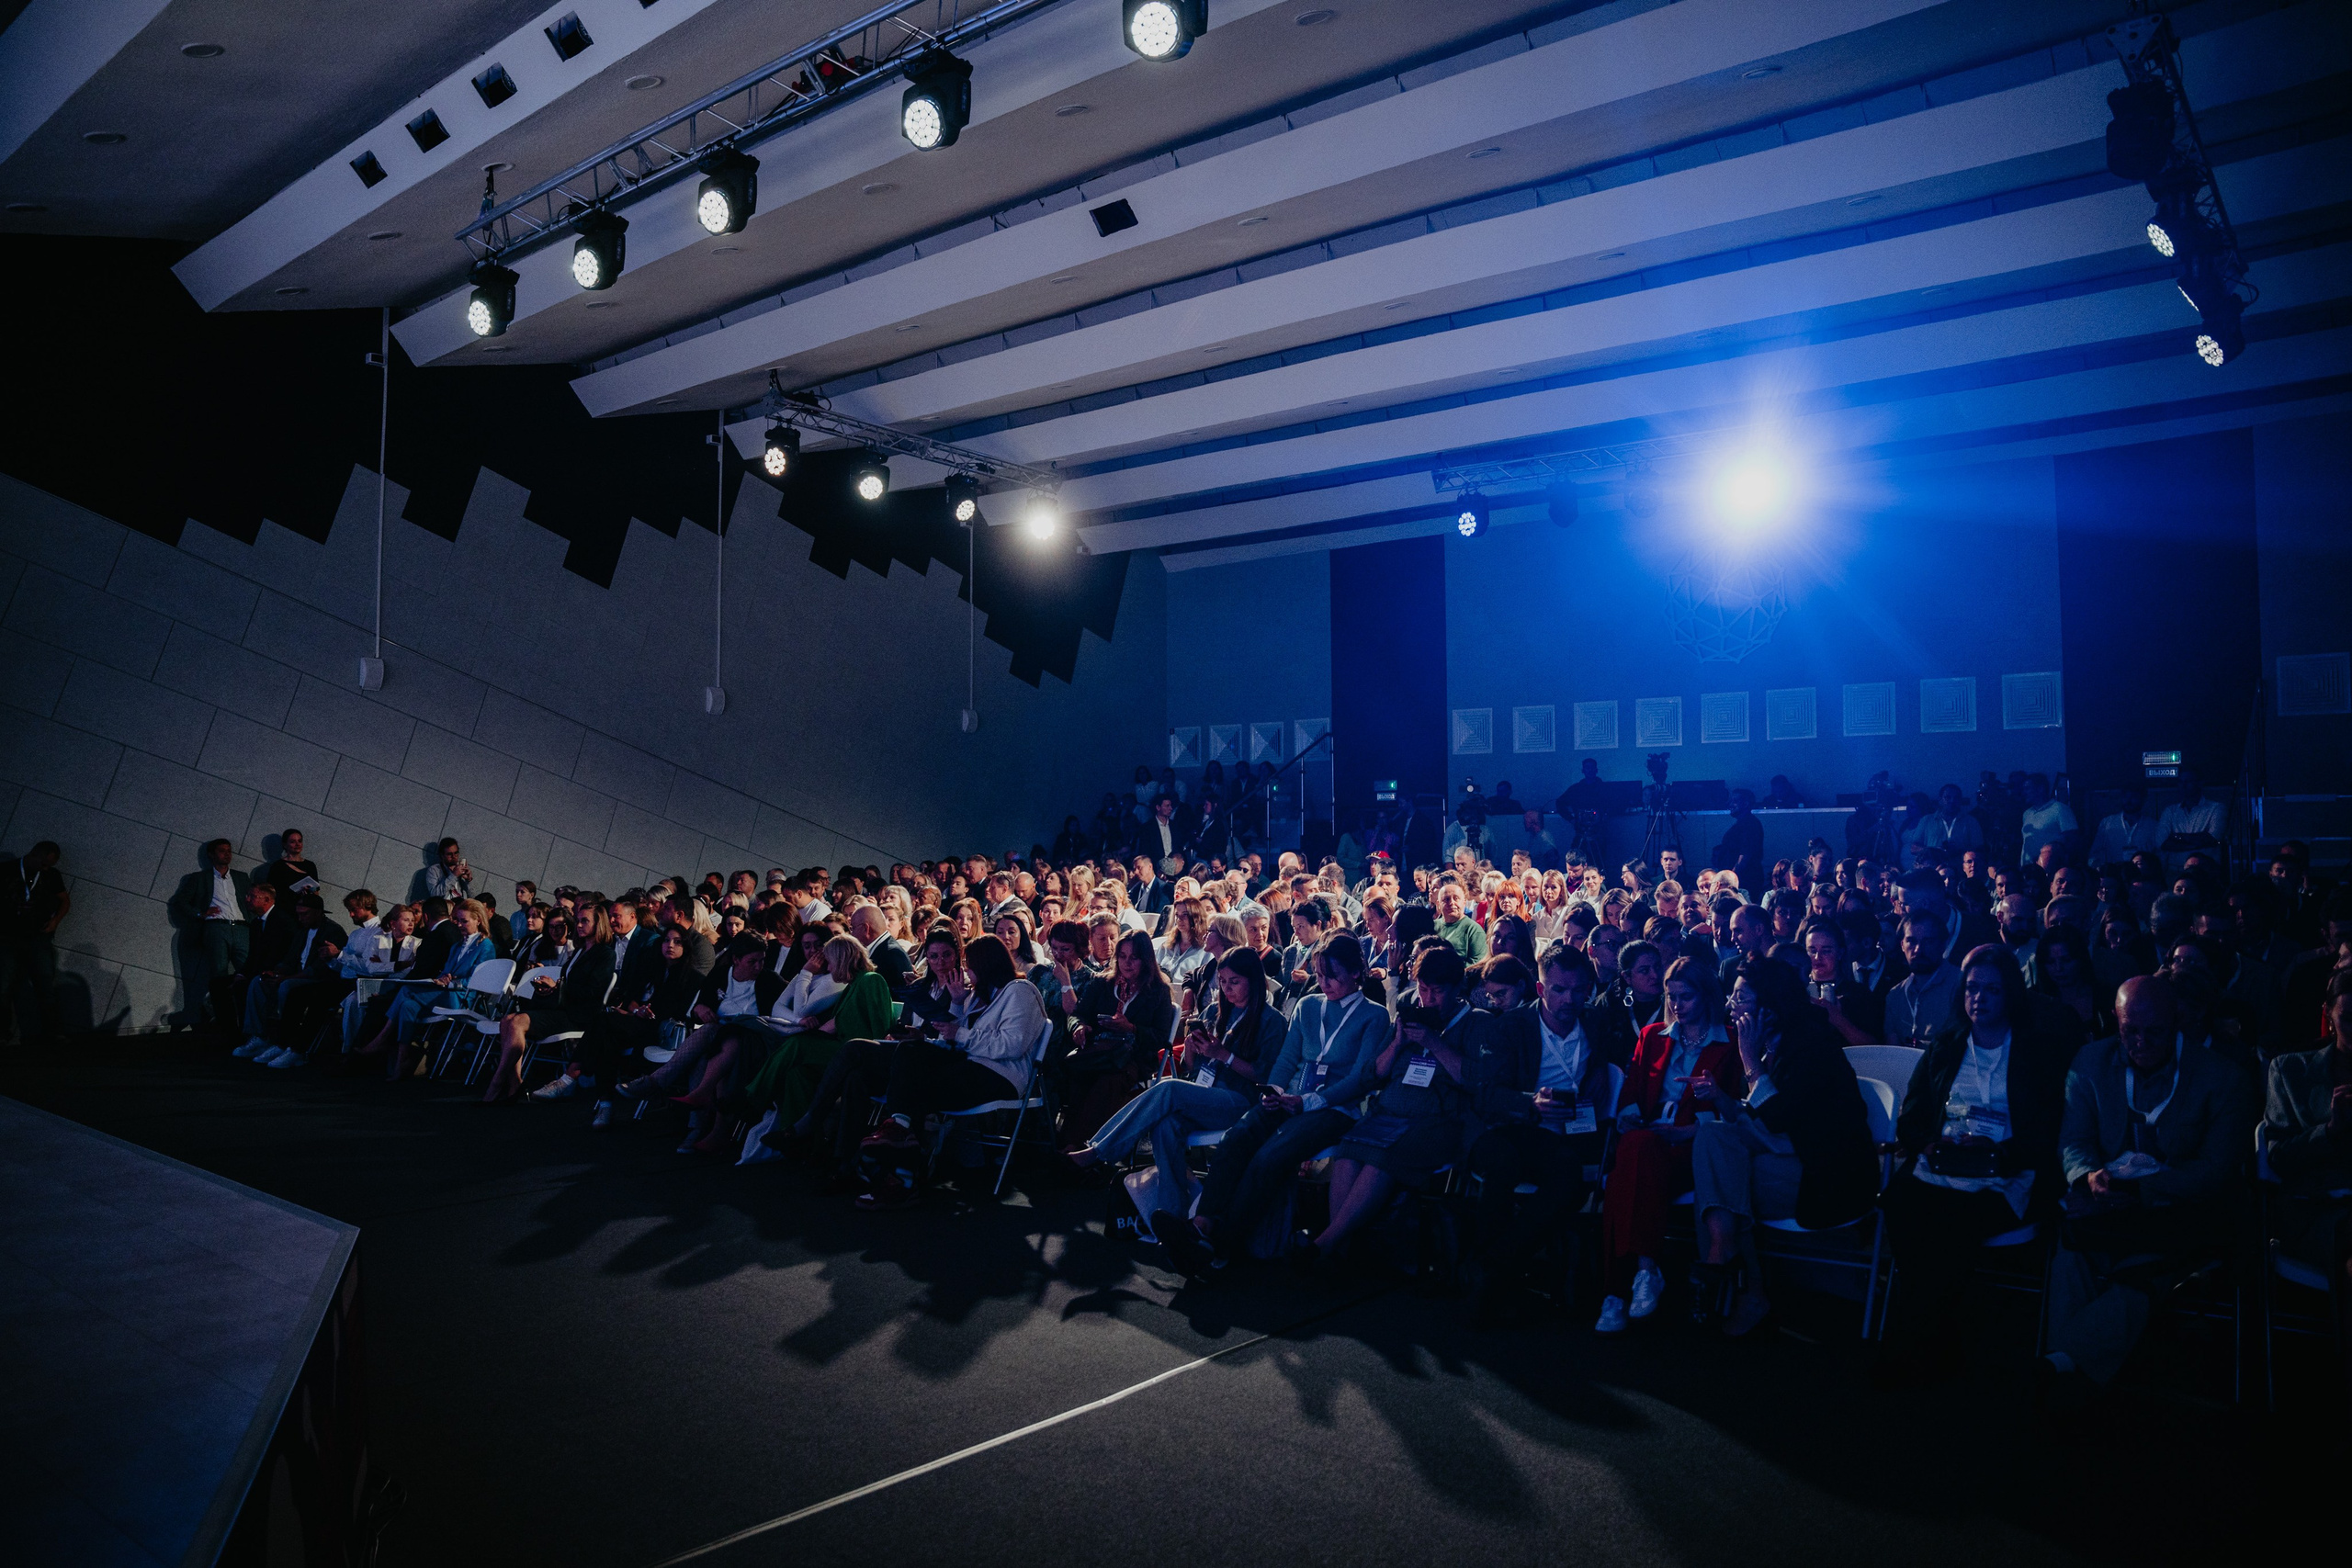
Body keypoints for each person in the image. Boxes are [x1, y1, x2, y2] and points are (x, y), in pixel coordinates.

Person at [2038, 976, 2256, 1406]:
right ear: (2116, 1022)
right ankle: (2065, 1371)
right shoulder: (2090, 1062)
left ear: (2177, 1021)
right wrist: (2088, 1176)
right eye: (2130, 1031)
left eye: (2154, 1032)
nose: (2141, 1043)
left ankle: (2058, 1367)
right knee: (2071, 1254)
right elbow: (2074, 1142)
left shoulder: (2222, 1078)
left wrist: (2140, 1190)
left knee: (2141, 1274)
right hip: (2108, 1205)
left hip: (2179, 1212)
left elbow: (2215, 1173)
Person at [1873, 946, 2072, 1387]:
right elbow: (1912, 1118)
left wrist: (1998, 1149)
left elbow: (2047, 1130)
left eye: (1992, 990)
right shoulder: (1947, 1047)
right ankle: (1934, 1336)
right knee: (1901, 1202)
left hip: (2007, 1168)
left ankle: (1918, 1342)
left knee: (1948, 1221)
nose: (1979, 998)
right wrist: (1931, 1143)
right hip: (1945, 1161)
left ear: (2010, 995)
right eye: (1972, 988)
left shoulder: (2036, 1053)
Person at [1159, 935, 1387, 1276]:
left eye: (1333, 976)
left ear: (1357, 973)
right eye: (1319, 975)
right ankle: (1202, 1225)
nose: (1324, 983)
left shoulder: (1374, 1016)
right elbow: (1287, 1059)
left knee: (1269, 1158)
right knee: (1235, 1139)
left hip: (1334, 1109)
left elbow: (1359, 1080)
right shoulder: (1308, 1005)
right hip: (1289, 1098)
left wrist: (1307, 1101)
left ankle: (1220, 1244)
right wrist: (1274, 1091)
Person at [1690, 960, 1879, 1334]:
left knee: (1728, 1177)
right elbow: (1757, 1119)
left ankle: (1739, 1277)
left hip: (1824, 1173)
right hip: (1785, 1155)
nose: (1730, 1006)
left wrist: (1748, 1059)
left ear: (1770, 1006)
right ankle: (1723, 1250)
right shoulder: (1772, 1041)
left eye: (1740, 998)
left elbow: (1777, 1119)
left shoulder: (1811, 1045)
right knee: (1712, 1136)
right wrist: (1722, 1098)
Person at [1303, 942, 1511, 1268]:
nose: (1428, 999)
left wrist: (1433, 1043)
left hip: (1437, 1120)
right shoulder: (1409, 1013)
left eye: (1437, 991)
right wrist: (1398, 1042)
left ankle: (1326, 1244)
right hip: (1389, 1112)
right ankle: (1339, 1251)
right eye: (1423, 989)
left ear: (1457, 989)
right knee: (1349, 1150)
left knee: (1382, 1158)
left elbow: (1475, 1080)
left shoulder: (1477, 1023)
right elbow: (1373, 1074)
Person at [1063, 946, 1284, 1217]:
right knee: (1166, 1125)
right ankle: (1172, 1211)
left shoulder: (1271, 1021)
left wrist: (1223, 1055)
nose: (1227, 989)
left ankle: (1099, 1151)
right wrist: (1191, 1049)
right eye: (1223, 981)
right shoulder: (1215, 1011)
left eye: (1234, 982)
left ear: (1253, 980)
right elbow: (1189, 1068)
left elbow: (1266, 1076)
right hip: (1204, 1093)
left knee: (1168, 1087)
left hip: (1241, 1101)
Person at [1465, 944, 1616, 1320]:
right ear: (1540, 989)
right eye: (1559, 990)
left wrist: (1601, 1066)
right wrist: (1530, 1103)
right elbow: (1485, 1094)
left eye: (1578, 990)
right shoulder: (1511, 1027)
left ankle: (1491, 1268)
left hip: (1573, 1133)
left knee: (1566, 1173)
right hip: (1515, 1127)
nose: (1569, 999)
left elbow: (1610, 1048)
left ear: (1588, 990)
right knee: (1505, 1165)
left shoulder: (1595, 1021)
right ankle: (1499, 1270)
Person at [1594, 957, 1739, 1332]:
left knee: (1629, 1165)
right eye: (1671, 996)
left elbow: (1736, 1109)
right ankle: (1643, 1272)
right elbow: (1631, 1092)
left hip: (1695, 1146)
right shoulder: (1652, 1035)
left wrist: (1691, 1129)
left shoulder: (1730, 1042)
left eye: (1686, 996)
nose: (1676, 1005)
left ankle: (1615, 1292)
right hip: (1650, 1138)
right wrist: (1627, 1114)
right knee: (1636, 1152)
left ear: (1706, 996)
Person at [2262, 970, 2352, 1400]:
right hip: (2316, 1210)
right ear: (2329, 1016)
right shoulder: (2292, 1070)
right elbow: (2277, 1157)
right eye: (2349, 1017)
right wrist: (2330, 1132)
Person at [481, 903, 616, 1102]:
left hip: (579, 1015)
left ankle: (497, 1083)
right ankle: (514, 1083)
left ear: (599, 923)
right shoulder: (580, 950)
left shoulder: (605, 954)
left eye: (585, 921)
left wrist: (559, 987)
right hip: (563, 1009)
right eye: (578, 920)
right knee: (507, 1021)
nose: (579, 925)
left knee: (516, 1022)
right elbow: (567, 982)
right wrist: (551, 987)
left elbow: (593, 991)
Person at [1057, 929, 1178, 1146]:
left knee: (1108, 1082)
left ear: (1146, 960)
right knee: (1076, 1076)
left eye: (1134, 957)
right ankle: (1071, 1143)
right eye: (1122, 956)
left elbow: (1160, 1037)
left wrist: (1131, 1028)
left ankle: (1084, 1146)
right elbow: (1078, 1014)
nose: (1127, 963)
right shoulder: (1102, 983)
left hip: (1133, 1057)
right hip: (1098, 1050)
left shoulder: (1158, 991)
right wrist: (1079, 1027)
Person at [167, 838, 253, 1030]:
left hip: (241, 927)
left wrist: (252, 920)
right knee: (219, 975)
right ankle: (224, 1022)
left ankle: (248, 1017)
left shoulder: (241, 877)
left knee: (248, 971)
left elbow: (252, 900)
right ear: (211, 855)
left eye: (229, 850)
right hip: (216, 927)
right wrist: (200, 914)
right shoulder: (200, 878)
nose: (227, 854)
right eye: (222, 851)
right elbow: (180, 901)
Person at [1884, 909, 1962, 1052]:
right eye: (1911, 941)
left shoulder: (1962, 985)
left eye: (1928, 942)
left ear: (1943, 944)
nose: (1918, 949)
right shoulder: (1895, 996)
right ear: (1902, 945)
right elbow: (1893, 1051)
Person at [2087, 786, 2165, 871]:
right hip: (2114, 874)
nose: (2128, 801)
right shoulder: (2107, 823)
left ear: (2143, 799)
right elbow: (2094, 853)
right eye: (2125, 797)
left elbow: (2160, 854)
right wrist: (2101, 869)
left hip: (2142, 875)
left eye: (2133, 797)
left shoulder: (2153, 826)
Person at [2016, 774, 2077, 869]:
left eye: (2027, 788)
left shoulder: (2059, 809)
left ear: (2041, 788)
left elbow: (2072, 840)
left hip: (2051, 869)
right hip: (2028, 870)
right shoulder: (2027, 814)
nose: (2024, 792)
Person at [1713, 789, 1764, 889]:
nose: (1730, 804)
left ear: (1745, 804)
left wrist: (1730, 880)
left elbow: (1745, 854)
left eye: (1735, 801)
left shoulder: (1750, 824)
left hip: (1745, 880)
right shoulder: (1743, 823)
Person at [1431, 880, 1488, 964]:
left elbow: (1477, 964)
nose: (1451, 903)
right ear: (1438, 904)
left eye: (1456, 898)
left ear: (1464, 902)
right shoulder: (1432, 926)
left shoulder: (1474, 930)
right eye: (1446, 899)